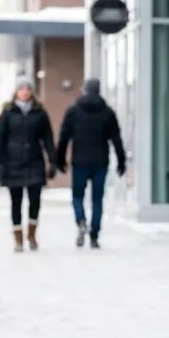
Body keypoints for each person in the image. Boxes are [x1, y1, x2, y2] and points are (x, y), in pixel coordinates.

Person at [55, 78, 126, 249]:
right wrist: (121, 160)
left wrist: (60, 159)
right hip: (100, 162)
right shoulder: (107, 112)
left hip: (80, 161)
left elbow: (64, 136)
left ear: (84, 90)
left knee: (78, 196)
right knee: (97, 199)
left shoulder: (73, 111)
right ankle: (94, 235)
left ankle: (81, 221)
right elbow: (116, 138)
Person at [0, 79, 57, 253]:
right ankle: (18, 239)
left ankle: (32, 234)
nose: (24, 92)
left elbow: (48, 138)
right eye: (21, 89)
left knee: (35, 200)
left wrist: (52, 161)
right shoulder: (7, 113)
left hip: (34, 161)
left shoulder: (40, 113)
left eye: (28, 89)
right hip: (12, 162)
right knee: (16, 202)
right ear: (16, 92)